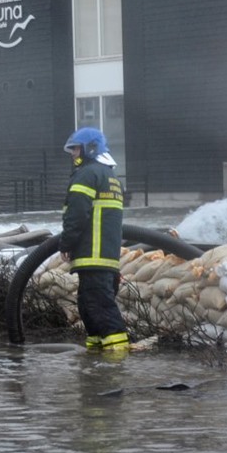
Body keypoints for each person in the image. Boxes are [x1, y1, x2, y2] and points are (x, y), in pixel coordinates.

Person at [61, 126, 128, 356]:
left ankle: (116, 366)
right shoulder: (110, 176)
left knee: (102, 311)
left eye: (76, 149)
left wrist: (66, 243)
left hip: (93, 255)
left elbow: (76, 214)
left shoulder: (87, 174)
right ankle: (95, 363)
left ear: (90, 149)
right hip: (106, 258)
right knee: (90, 311)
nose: (73, 154)